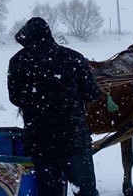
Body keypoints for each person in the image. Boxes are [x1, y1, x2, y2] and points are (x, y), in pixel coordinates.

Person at [7, 18, 101, 196]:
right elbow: (91, 94)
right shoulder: (73, 58)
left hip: (40, 141)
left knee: (50, 191)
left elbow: (15, 98)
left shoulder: (18, 61)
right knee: (86, 191)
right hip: (74, 139)